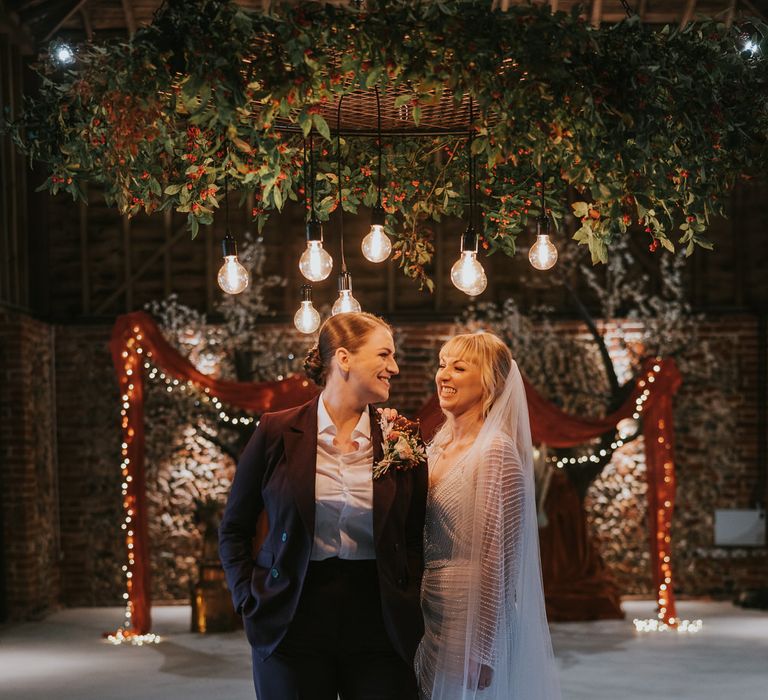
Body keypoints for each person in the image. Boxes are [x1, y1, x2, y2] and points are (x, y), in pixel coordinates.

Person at [218, 312, 428, 700]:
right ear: (344, 359)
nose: (393, 367)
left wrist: (408, 596)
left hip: (378, 617)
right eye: (383, 355)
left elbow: (414, 535)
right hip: (293, 613)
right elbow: (234, 527)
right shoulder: (276, 431)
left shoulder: (402, 438)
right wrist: (247, 598)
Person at [415, 331, 562, 700]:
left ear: (490, 383)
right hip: (426, 607)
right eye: (442, 364)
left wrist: (484, 649)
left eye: (459, 367)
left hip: (471, 612)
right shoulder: (436, 447)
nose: (443, 375)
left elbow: (499, 560)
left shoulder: (496, 452)